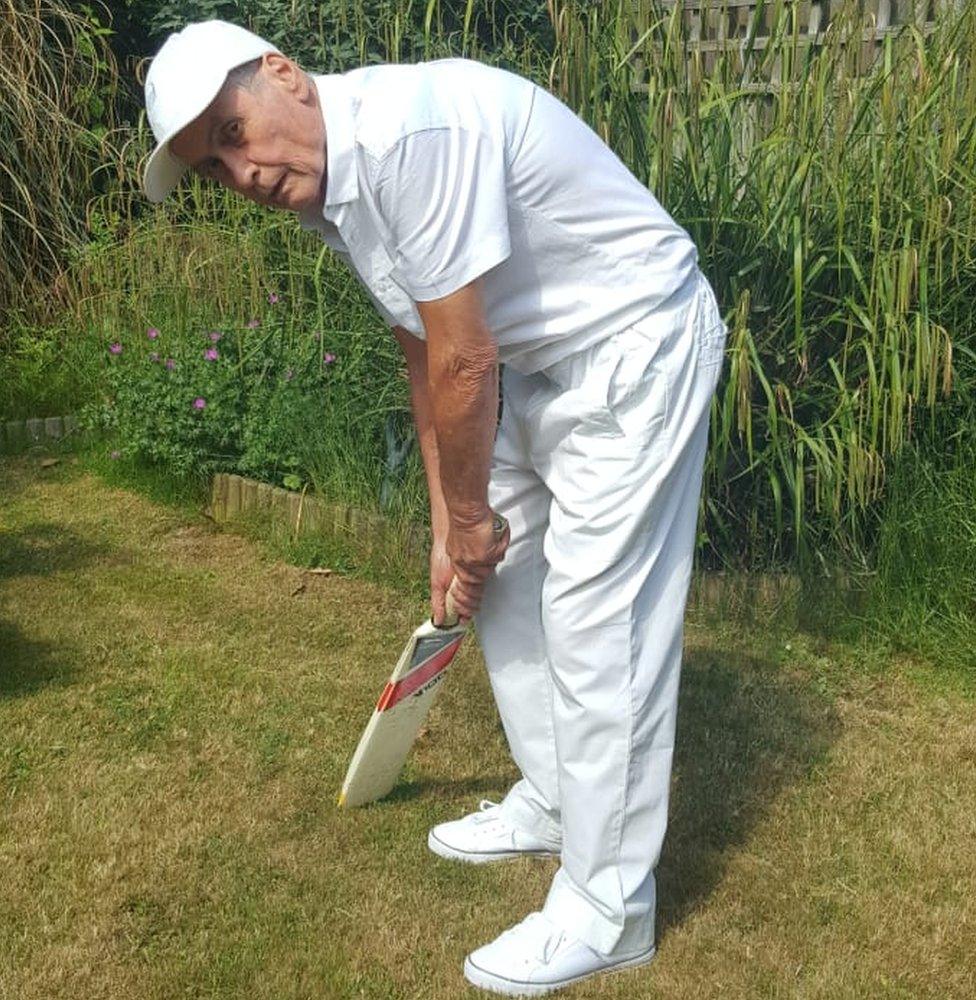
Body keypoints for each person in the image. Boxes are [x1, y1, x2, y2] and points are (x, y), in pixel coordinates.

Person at [142, 19, 727, 996]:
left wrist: (469, 515)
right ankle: (550, 800)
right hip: (534, 368)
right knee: (497, 586)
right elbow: (424, 352)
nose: (238, 173)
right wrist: (444, 527)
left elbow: (465, 358)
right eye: (213, 166)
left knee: (597, 624)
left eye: (232, 133)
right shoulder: (332, 193)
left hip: (635, 347)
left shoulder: (408, 137)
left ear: (283, 76)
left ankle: (606, 908)